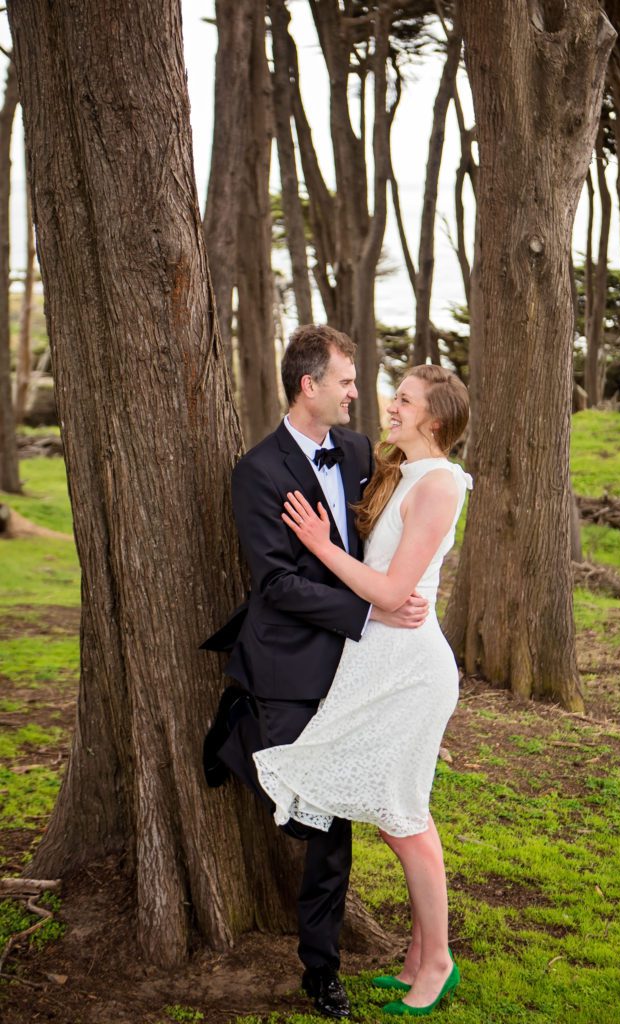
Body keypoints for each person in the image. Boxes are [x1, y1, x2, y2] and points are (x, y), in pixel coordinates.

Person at [203, 324, 430, 1020]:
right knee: (308, 822)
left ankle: (319, 971)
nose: (357, 394)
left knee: (332, 832)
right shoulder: (258, 471)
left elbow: (393, 524)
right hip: (292, 660)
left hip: (358, 667)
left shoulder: (360, 451)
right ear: (310, 386)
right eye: (346, 382)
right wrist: (370, 613)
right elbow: (275, 583)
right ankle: (239, 737)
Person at [253, 363, 472, 1017]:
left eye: (403, 400)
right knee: (396, 818)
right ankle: (417, 956)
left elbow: (389, 593)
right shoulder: (397, 471)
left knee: (406, 820)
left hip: (409, 670)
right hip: (373, 661)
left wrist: (319, 544)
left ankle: (438, 962)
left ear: (433, 419)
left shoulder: (439, 483)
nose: (390, 406)